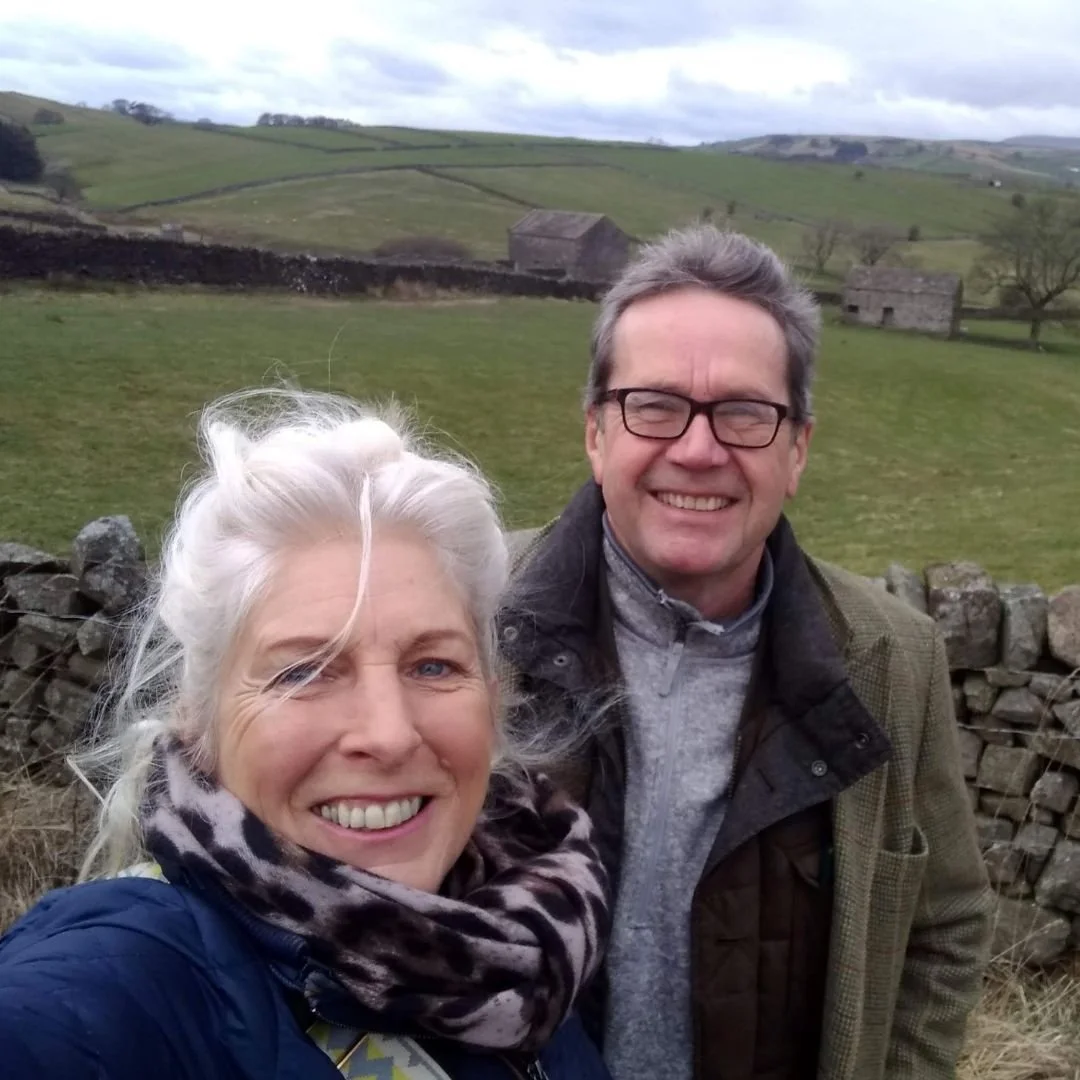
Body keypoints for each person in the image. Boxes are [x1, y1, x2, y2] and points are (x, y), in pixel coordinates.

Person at [497, 225, 993, 1080]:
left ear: (796, 448)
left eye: (744, 413)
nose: (698, 448)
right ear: (595, 433)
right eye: (654, 405)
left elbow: (943, 924)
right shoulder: (465, 614)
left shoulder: (891, 657)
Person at [0, 390, 612, 1080]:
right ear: (198, 718)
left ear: (493, 700)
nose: (388, 734)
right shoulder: (115, 986)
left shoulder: (532, 937)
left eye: (434, 664)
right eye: (304, 672)